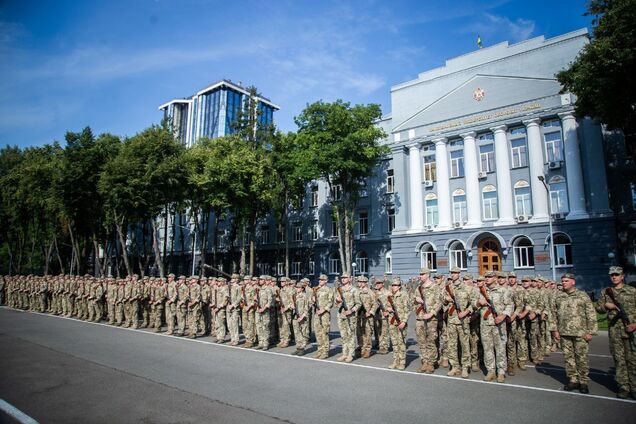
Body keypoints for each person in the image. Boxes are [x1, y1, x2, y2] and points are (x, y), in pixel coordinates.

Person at [552, 273, 597, 394]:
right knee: (569, 359)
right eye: (562, 281)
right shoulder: (559, 297)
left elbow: (591, 314)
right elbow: (554, 315)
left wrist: (591, 331)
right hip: (564, 333)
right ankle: (573, 380)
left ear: (573, 282)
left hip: (580, 334)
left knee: (582, 359)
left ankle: (583, 382)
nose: (563, 283)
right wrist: (555, 330)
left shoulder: (582, 296)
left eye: (566, 281)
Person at [595, 266, 636, 399]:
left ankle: (634, 387)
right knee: (619, 360)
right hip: (615, 331)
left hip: (631, 331)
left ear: (622, 276)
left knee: (633, 360)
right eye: (612, 275)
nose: (614, 277)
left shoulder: (632, 291)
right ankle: (624, 387)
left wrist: (635, 325)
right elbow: (599, 308)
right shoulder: (606, 292)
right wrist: (606, 306)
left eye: (616, 275)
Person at [477, 271, 513, 382]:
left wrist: (502, 316)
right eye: (486, 277)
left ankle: (501, 372)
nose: (487, 279)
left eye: (489, 277)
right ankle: (491, 371)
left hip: (498, 324)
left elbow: (510, 305)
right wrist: (479, 302)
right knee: (487, 348)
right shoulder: (481, 291)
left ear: (495, 278)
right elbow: (474, 304)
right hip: (485, 324)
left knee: (500, 348)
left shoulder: (503, 291)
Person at [411, 267, 443, 373]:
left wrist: (431, 313)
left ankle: (431, 363)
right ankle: (424, 361)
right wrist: (416, 300)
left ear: (428, 275)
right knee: (421, 341)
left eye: (423, 274)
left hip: (431, 319)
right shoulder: (419, 288)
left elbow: (439, 302)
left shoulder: (435, 287)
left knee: (431, 341)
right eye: (420, 274)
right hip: (420, 318)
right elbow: (413, 301)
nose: (421, 276)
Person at [335, 273, 361, 363]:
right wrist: (337, 300)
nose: (343, 279)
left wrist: (352, 310)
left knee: (350, 335)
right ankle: (344, 354)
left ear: (350, 279)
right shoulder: (340, 289)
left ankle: (351, 354)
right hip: (341, 315)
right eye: (342, 278)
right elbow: (336, 304)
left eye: (345, 278)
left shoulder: (354, 290)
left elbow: (358, 303)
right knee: (343, 335)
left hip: (350, 316)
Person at [386, 277, 410, 370]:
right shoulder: (390, 296)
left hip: (401, 322)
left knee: (401, 343)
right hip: (392, 321)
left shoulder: (403, 295)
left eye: (395, 285)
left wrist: (404, 321)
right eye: (392, 285)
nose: (393, 287)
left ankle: (402, 362)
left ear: (399, 287)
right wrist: (388, 310)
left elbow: (407, 309)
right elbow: (387, 307)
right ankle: (395, 361)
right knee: (394, 343)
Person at [313, 274, 334, 359]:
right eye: (319, 280)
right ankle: (320, 350)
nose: (320, 281)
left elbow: (330, 302)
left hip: (324, 313)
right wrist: (313, 300)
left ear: (326, 281)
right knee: (318, 332)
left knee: (324, 332)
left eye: (322, 280)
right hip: (317, 313)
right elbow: (314, 301)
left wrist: (324, 309)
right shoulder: (317, 290)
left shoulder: (329, 290)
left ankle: (325, 351)